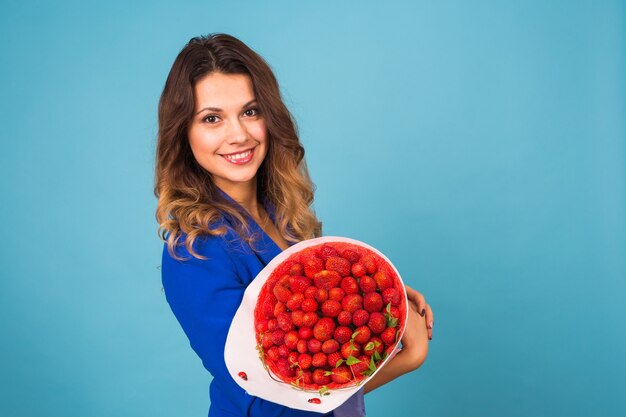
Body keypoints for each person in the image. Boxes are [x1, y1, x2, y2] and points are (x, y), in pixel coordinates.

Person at [155, 33, 434, 417]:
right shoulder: (195, 252)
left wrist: (383, 297)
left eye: (250, 111)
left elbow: (313, 327)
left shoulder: (283, 214)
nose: (238, 134)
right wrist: (407, 357)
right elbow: (276, 397)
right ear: (183, 134)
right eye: (212, 118)